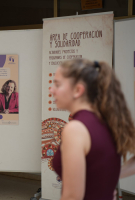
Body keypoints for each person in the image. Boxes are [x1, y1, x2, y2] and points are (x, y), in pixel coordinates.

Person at [50, 59, 135, 200]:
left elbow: (72, 197)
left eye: (57, 84)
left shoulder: (75, 129)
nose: (51, 90)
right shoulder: (109, 120)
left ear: (78, 90)